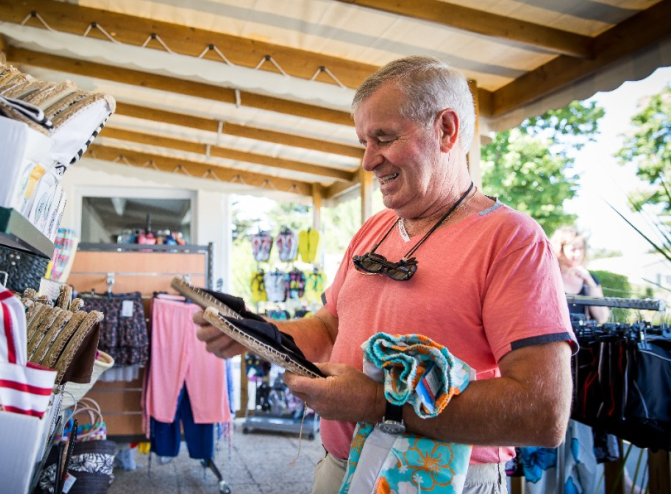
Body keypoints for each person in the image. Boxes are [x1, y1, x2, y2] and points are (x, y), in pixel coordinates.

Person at [195, 55, 576, 494]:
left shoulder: (511, 239)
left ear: (446, 130)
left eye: (384, 138)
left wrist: (378, 403)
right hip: (340, 468)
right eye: (364, 141)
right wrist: (258, 333)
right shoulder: (374, 229)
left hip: (438, 481)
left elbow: (542, 412)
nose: (367, 161)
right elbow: (328, 327)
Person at [549, 226, 610, 323]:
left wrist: (590, 282)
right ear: (560, 249)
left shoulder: (590, 279)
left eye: (581, 249)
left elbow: (602, 317)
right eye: (573, 249)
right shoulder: (549, 278)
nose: (578, 254)